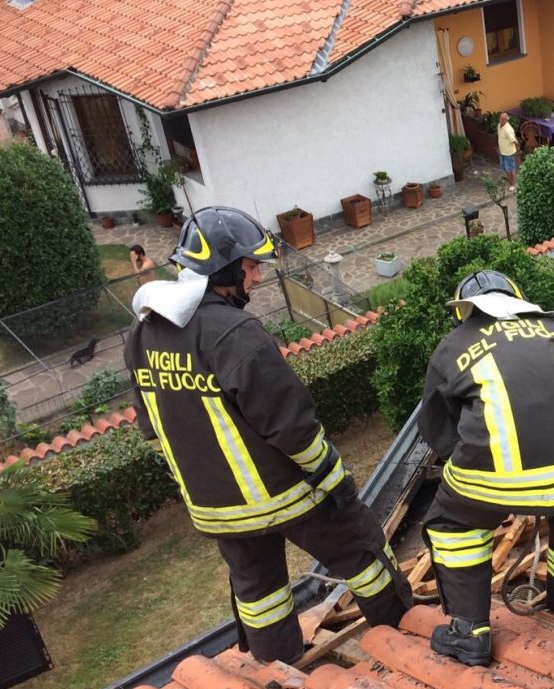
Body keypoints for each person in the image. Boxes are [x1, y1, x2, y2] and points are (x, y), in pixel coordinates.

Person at [124, 206, 412, 663]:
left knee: (260, 596)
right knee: (364, 553)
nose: (256, 278)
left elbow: (154, 427)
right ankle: (406, 638)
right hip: (285, 494)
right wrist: (335, 478)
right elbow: (291, 425)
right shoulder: (234, 333)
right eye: (251, 267)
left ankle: (280, 673)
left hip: (219, 512)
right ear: (223, 267)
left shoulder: (142, 337)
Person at [418, 270, 554, 666]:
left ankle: (468, 632)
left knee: (451, 521)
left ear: (465, 311)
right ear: (518, 299)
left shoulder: (452, 346)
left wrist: (476, 463)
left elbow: (437, 428)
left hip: (496, 476)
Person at [497, 112, 519, 187]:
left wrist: (517, 149)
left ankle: (513, 184)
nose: (499, 120)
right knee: (506, 168)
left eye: (501, 119)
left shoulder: (508, 129)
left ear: (505, 120)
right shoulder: (499, 125)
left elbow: (514, 141)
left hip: (508, 153)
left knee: (511, 168)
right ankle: (509, 182)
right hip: (502, 151)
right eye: (500, 118)